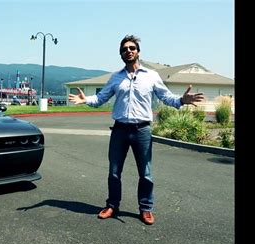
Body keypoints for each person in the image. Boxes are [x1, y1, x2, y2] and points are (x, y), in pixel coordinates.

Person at [68, 34, 204, 225]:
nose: (128, 51)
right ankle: (112, 205)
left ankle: (146, 208)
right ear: (121, 54)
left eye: (132, 48)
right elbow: (100, 99)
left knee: (146, 173)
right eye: (125, 49)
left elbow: (166, 97)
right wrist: (86, 100)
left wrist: (182, 100)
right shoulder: (116, 78)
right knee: (114, 171)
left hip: (142, 131)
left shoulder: (152, 76)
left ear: (138, 52)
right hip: (120, 130)